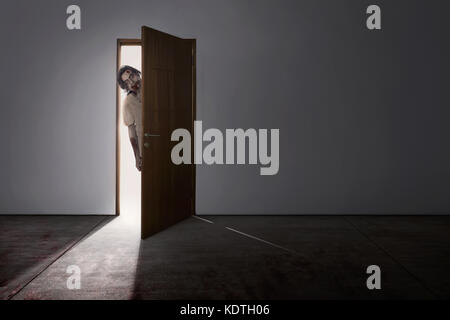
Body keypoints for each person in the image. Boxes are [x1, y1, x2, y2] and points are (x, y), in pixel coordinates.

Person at [117, 66, 143, 171]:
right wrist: (137, 158)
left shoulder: (153, 86)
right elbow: (132, 134)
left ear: (137, 73)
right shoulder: (128, 103)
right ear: (125, 86)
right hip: (146, 148)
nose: (131, 82)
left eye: (131, 76)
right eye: (127, 82)